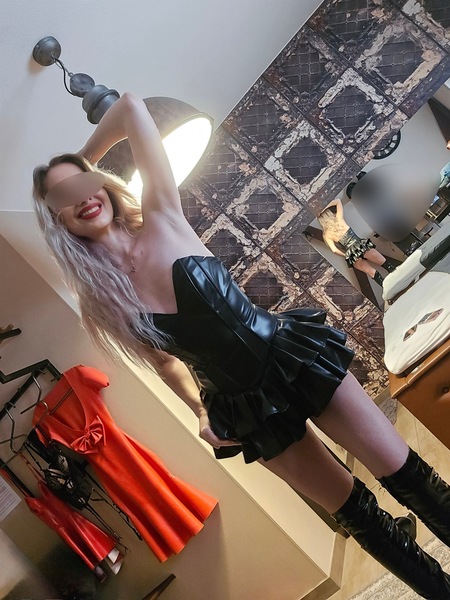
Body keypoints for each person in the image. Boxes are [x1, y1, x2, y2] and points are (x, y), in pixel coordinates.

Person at [33, 93, 450, 598]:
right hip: (241, 410)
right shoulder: (104, 302)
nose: (80, 198)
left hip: (292, 355)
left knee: (407, 474)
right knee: (360, 520)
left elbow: (129, 108)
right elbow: (165, 363)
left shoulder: (163, 214)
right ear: (58, 222)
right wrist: (199, 412)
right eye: (63, 199)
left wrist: (82, 163)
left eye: (82, 184)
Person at [317, 198, 395, 286]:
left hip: (351, 254)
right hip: (361, 245)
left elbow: (334, 250)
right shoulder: (339, 220)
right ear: (329, 214)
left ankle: (390, 289)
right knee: (386, 264)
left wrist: (345, 255)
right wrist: (324, 209)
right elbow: (338, 201)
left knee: (373, 274)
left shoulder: (326, 235)